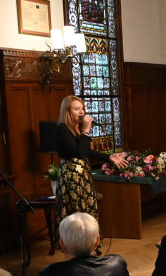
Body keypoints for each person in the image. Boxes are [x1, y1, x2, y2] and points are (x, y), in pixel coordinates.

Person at [54, 94, 127, 224]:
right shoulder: (62, 129)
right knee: (76, 213)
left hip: (83, 175)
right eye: (77, 109)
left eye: (82, 108)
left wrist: (109, 157)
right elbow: (79, 154)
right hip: (71, 177)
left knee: (87, 209)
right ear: (67, 111)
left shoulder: (78, 129)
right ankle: (75, 242)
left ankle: (89, 241)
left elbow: (86, 151)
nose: (82, 112)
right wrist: (86, 131)